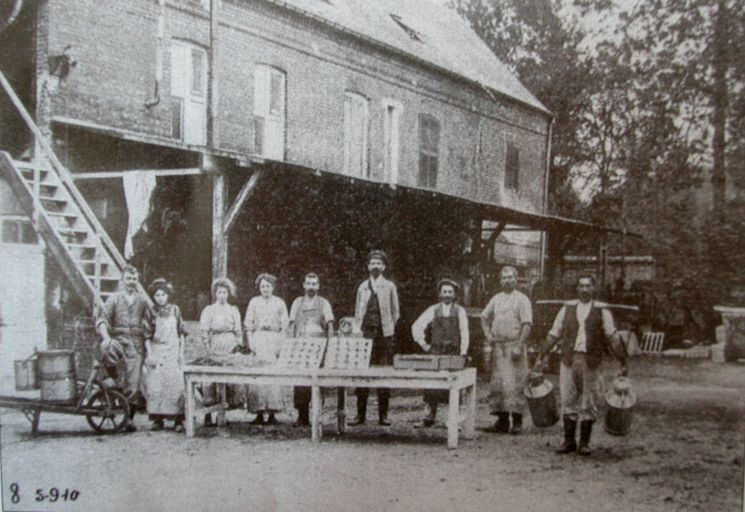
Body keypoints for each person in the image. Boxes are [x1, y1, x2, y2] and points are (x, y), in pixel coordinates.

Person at [536, 274, 627, 456]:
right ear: (576, 289)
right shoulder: (566, 309)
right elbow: (554, 334)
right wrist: (540, 356)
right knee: (568, 398)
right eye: (581, 286)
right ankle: (569, 441)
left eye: (588, 286)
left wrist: (623, 361)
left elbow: (613, 338)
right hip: (569, 359)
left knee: (589, 400)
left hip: (591, 360)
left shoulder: (602, 311)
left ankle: (584, 443)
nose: (584, 290)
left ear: (594, 289)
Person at [349, 250, 400, 427]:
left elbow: (396, 312)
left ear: (384, 267)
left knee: (383, 373)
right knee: (362, 373)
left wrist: (387, 327)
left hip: (384, 336)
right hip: (366, 335)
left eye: (379, 263)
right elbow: (357, 312)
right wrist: (359, 329)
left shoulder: (390, 286)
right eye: (372, 263)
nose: (375, 266)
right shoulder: (362, 287)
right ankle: (360, 415)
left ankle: (383, 415)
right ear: (368, 266)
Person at [96, 265, 150, 432]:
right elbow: (102, 320)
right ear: (122, 280)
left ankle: (129, 419)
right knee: (107, 348)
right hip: (118, 341)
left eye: (134, 279)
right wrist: (106, 338)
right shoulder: (114, 299)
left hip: (136, 345)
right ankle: (111, 381)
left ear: (137, 281)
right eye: (128, 279)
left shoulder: (142, 301)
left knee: (133, 384)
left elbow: (149, 323)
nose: (131, 282)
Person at [480, 266, 532, 435]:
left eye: (511, 277)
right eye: (504, 278)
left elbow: (527, 325)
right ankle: (501, 422)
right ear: (500, 280)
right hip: (498, 348)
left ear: (516, 280)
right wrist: (488, 334)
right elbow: (483, 316)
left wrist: (519, 346)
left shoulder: (522, 299)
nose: (507, 280)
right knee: (499, 385)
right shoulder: (496, 299)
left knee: (516, 385)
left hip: (515, 347)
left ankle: (517, 421)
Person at [411, 279, 469, 427]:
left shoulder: (460, 311)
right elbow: (416, 326)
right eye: (444, 292)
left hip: (453, 353)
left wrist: (463, 352)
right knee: (432, 385)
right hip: (435, 353)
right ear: (440, 294)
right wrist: (425, 345)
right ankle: (428, 417)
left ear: (455, 294)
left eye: (450, 292)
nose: (447, 295)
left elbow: (464, 332)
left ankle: (454, 420)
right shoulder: (433, 310)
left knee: (454, 386)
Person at [288, 272, 335, 427]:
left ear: (318, 286)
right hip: (301, 349)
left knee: (317, 383)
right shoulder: (297, 302)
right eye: (308, 283)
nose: (311, 287)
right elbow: (291, 325)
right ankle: (302, 417)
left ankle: (317, 417)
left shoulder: (324, 303)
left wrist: (330, 346)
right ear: (303, 285)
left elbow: (330, 325)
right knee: (301, 383)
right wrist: (291, 345)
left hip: (318, 349)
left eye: (314, 284)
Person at [199, 277, 244, 427]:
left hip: (229, 344)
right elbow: (204, 330)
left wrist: (238, 346)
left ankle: (223, 415)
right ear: (215, 293)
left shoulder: (233, 310)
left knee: (226, 380)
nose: (222, 295)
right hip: (215, 344)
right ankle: (208, 414)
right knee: (210, 380)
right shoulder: (209, 310)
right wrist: (207, 347)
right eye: (219, 292)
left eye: (225, 292)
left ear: (228, 294)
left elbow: (238, 331)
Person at [143, 278, 186, 432]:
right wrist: (151, 354)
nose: (160, 298)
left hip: (173, 350)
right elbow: (146, 335)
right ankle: (157, 419)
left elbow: (182, 333)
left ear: (168, 295)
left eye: (163, 294)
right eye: (157, 295)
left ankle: (178, 420)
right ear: (153, 297)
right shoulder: (150, 311)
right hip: (157, 351)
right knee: (156, 386)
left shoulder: (175, 310)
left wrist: (181, 353)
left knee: (175, 385)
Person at [245, 273, 289, 425]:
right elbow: (248, 325)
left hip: (273, 339)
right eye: (263, 286)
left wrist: (280, 345)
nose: (265, 289)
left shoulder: (279, 303)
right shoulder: (254, 302)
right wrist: (251, 343)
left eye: (268, 286)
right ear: (259, 287)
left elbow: (285, 326)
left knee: (272, 376)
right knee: (258, 376)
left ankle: (272, 414)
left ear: (273, 287)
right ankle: (258, 412)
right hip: (259, 339)